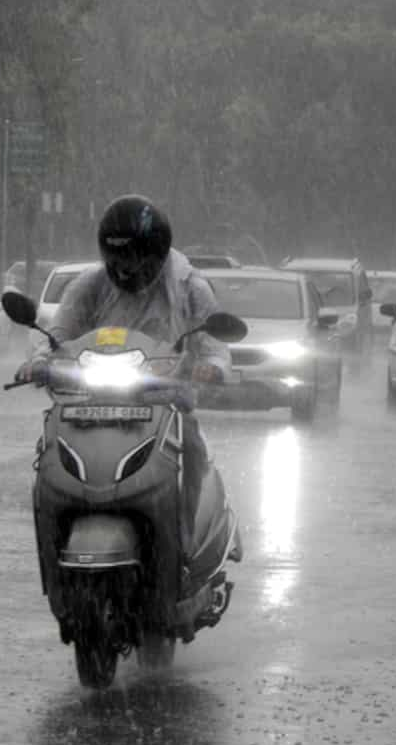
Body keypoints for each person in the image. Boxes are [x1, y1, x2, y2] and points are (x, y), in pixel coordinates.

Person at [15, 194, 233, 544]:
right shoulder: (90, 284)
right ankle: (54, 544)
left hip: (166, 402)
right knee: (48, 454)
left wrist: (213, 367)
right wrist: (39, 362)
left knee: (192, 449)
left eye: (133, 258)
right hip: (89, 402)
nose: (125, 269)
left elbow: (215, 345)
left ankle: (185, 542)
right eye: (116, 258)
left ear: (156, 253)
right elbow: (57, 334)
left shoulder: (189, 287)